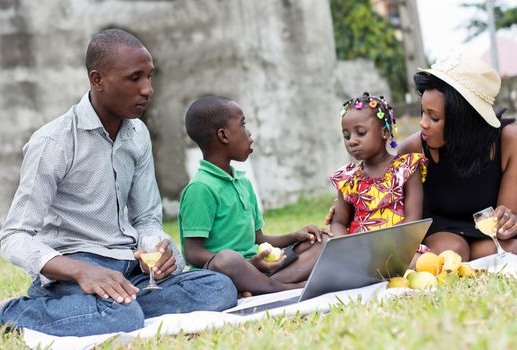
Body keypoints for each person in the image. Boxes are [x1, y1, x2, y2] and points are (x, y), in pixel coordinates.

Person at [0, 29, 237, 337]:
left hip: (128, 267)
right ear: (98, 80)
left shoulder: (137, 135)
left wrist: (157, 252)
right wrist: (82, 271)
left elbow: (146, 219)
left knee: (218, 288)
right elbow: (14, 237)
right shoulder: (53, 142)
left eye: (150, 77)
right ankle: (6, 314)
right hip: (72, 270)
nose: (147, 89)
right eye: (135, 79)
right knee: (118, 317)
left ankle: (103, 308)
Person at [179, 96, 334, 296]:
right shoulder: (201, 188)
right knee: (228, 259)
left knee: (320, 244)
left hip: (258, 266)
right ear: (223, 135)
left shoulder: (242, 182)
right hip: (225, 273)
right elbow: (193, 253)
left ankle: (255, 286)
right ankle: (284, 287)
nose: (249, 133)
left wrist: (294, 236)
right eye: (243, 125)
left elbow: (258, 238)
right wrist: (246, 265)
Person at [398, 53, 517, 260]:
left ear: (463, 120)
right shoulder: (413, 148)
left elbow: (503, 221)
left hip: (486, 235)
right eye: (422, 112)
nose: (423, 123)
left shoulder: (508, 141)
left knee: (509, 249)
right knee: (452, 252)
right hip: (442, 231)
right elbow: (380, 188)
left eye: (434, 117)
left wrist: (508, 219)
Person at [330, 92, 427, 237]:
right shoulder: (349, 178)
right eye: (347, 136)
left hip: (401, 247)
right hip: (360, 250)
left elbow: (413, 220)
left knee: (419, 260)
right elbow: (338, 222)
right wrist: (346, 244)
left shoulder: (406, 169)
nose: (352, 141)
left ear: (385, 132)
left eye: (361, 133)